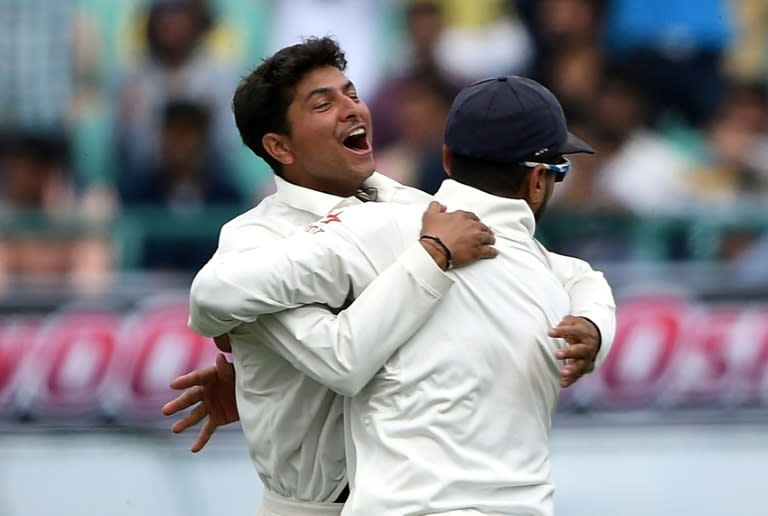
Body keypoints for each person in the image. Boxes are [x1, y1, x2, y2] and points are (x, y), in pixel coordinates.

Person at [163, 37, 615, 515]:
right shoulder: (255, 242)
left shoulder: (410, 207)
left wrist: (593, 325)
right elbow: (331, 358)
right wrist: (431, 256)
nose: (352, 109)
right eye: (324, 103)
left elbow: (564, 270)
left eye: (352, 93)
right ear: (279, 146)